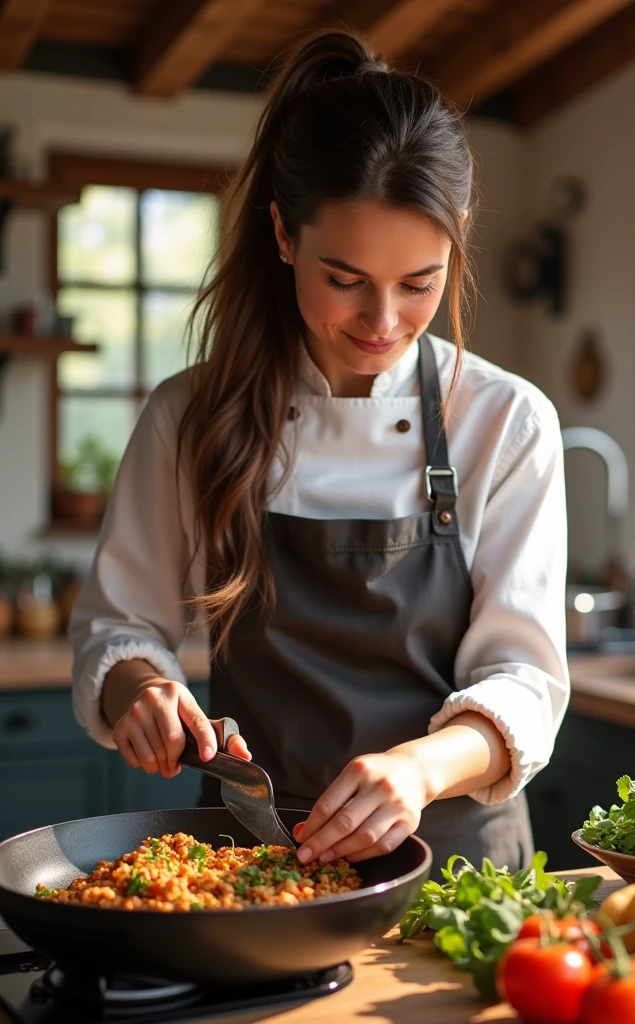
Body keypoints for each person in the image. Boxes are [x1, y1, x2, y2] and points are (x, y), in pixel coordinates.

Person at [70, 28, 569, 877]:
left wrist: (417, 768)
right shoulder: (190, 417)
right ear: (283, 235)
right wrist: (142, 694)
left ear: (457, 244)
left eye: (419, 283)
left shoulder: (507, 422)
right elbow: (120, 630)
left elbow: (524, 679)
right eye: (345, 279)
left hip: (454, 870)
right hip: (249, 863)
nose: (382, 322)